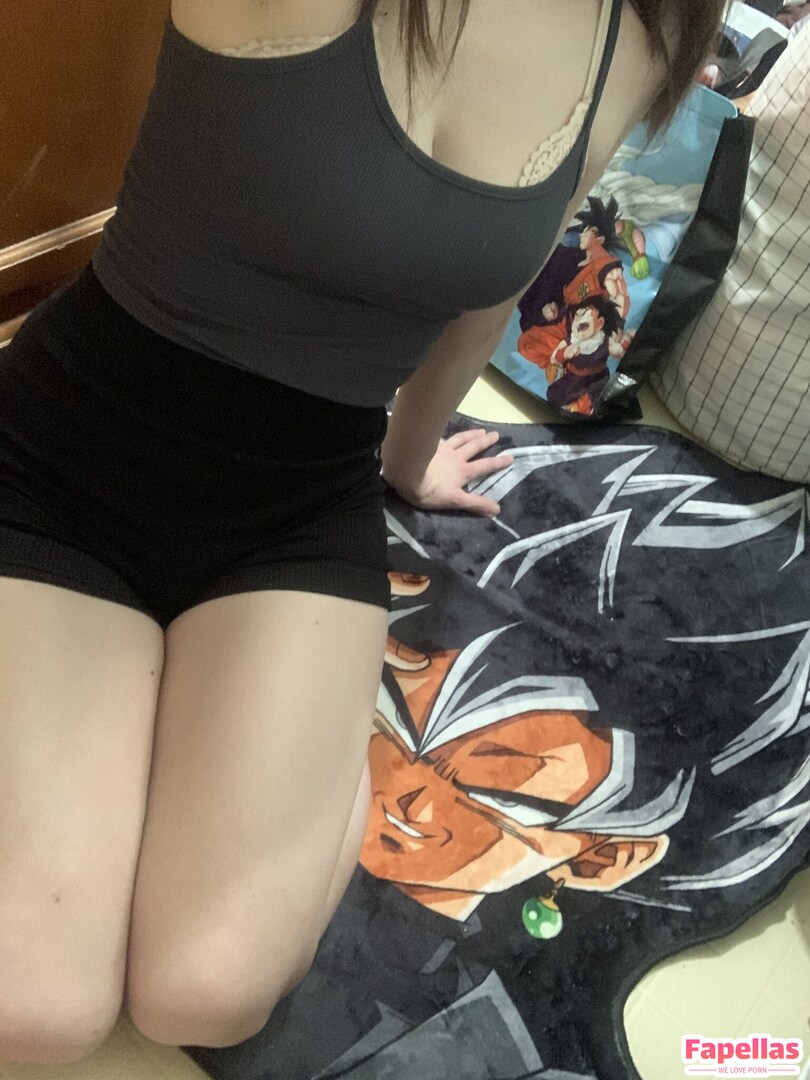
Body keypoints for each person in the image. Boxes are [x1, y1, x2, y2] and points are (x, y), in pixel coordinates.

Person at [0, 0, 725, 1065]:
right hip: (67, 463)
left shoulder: (645, 33)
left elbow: (489, 296)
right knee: (37, 1004)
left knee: (205, 993)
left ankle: (316, 734)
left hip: (299, 507)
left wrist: (410, 455)